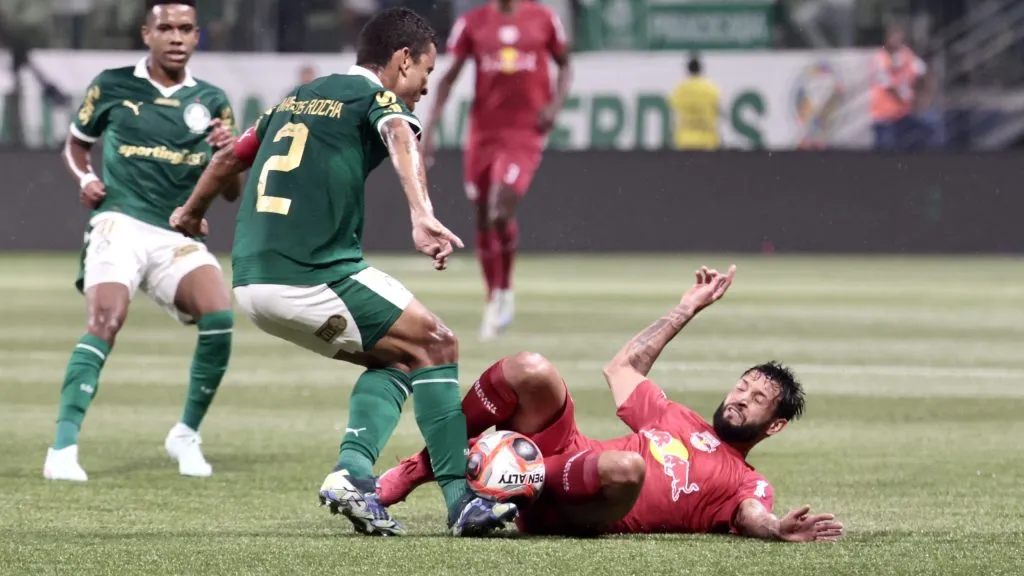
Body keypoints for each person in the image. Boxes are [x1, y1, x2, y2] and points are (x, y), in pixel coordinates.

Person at [169, 7, 517, 538]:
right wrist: (421, 213)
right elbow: (401, 133)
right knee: (439, 345)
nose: (425, 85)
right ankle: (462, 502)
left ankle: (353, 475)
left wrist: (191, 213)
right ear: (402, 61)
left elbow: (225, 161)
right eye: (426, 70)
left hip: (253, 282)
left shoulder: (292, 101)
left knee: (402, 361)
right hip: (311, 272)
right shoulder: (377, 98)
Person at [380, 265, 844, 541]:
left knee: (627, 468)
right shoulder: (675, 415)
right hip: (567, 459)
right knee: (531, 368)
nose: (742, 398)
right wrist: (687, 308)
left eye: (759, 398)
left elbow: (753, 515)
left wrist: (776, 529)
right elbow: (622, 369)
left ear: (775, 425)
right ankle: (422, 467)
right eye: (743, 386)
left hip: (591, 512)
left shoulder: (746, 480)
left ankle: (521, 497)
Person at [45, 0, 238, 483]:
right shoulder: (112, 85)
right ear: (146, 34)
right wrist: (85, 178)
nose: (176, 37)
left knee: (219, 315)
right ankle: (62, 448)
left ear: (197, 37)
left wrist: (227, 155)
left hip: (176, 231)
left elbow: (232, 190)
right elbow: (75, 143)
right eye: (166, 28)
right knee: (106, 320)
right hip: (121, 221)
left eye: (186, 29)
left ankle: (185, 435)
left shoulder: (212, 100)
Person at [421, 0, 573, 341]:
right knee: (482, 216)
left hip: (524, 132)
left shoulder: (543, 19)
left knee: (501, 207)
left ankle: (505, 292)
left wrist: (555, 105)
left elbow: (565, 65)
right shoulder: (473, 24)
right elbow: (447, 78)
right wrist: (429, 130)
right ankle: (493, 297)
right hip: (483, 133)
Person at [669, 54, 722, 151]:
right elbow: (717, 110)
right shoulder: (711, 88)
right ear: (701, 69)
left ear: (687, 70)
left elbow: (673, 108)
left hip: (685, 140)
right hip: (707, 140)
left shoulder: (680, 89)